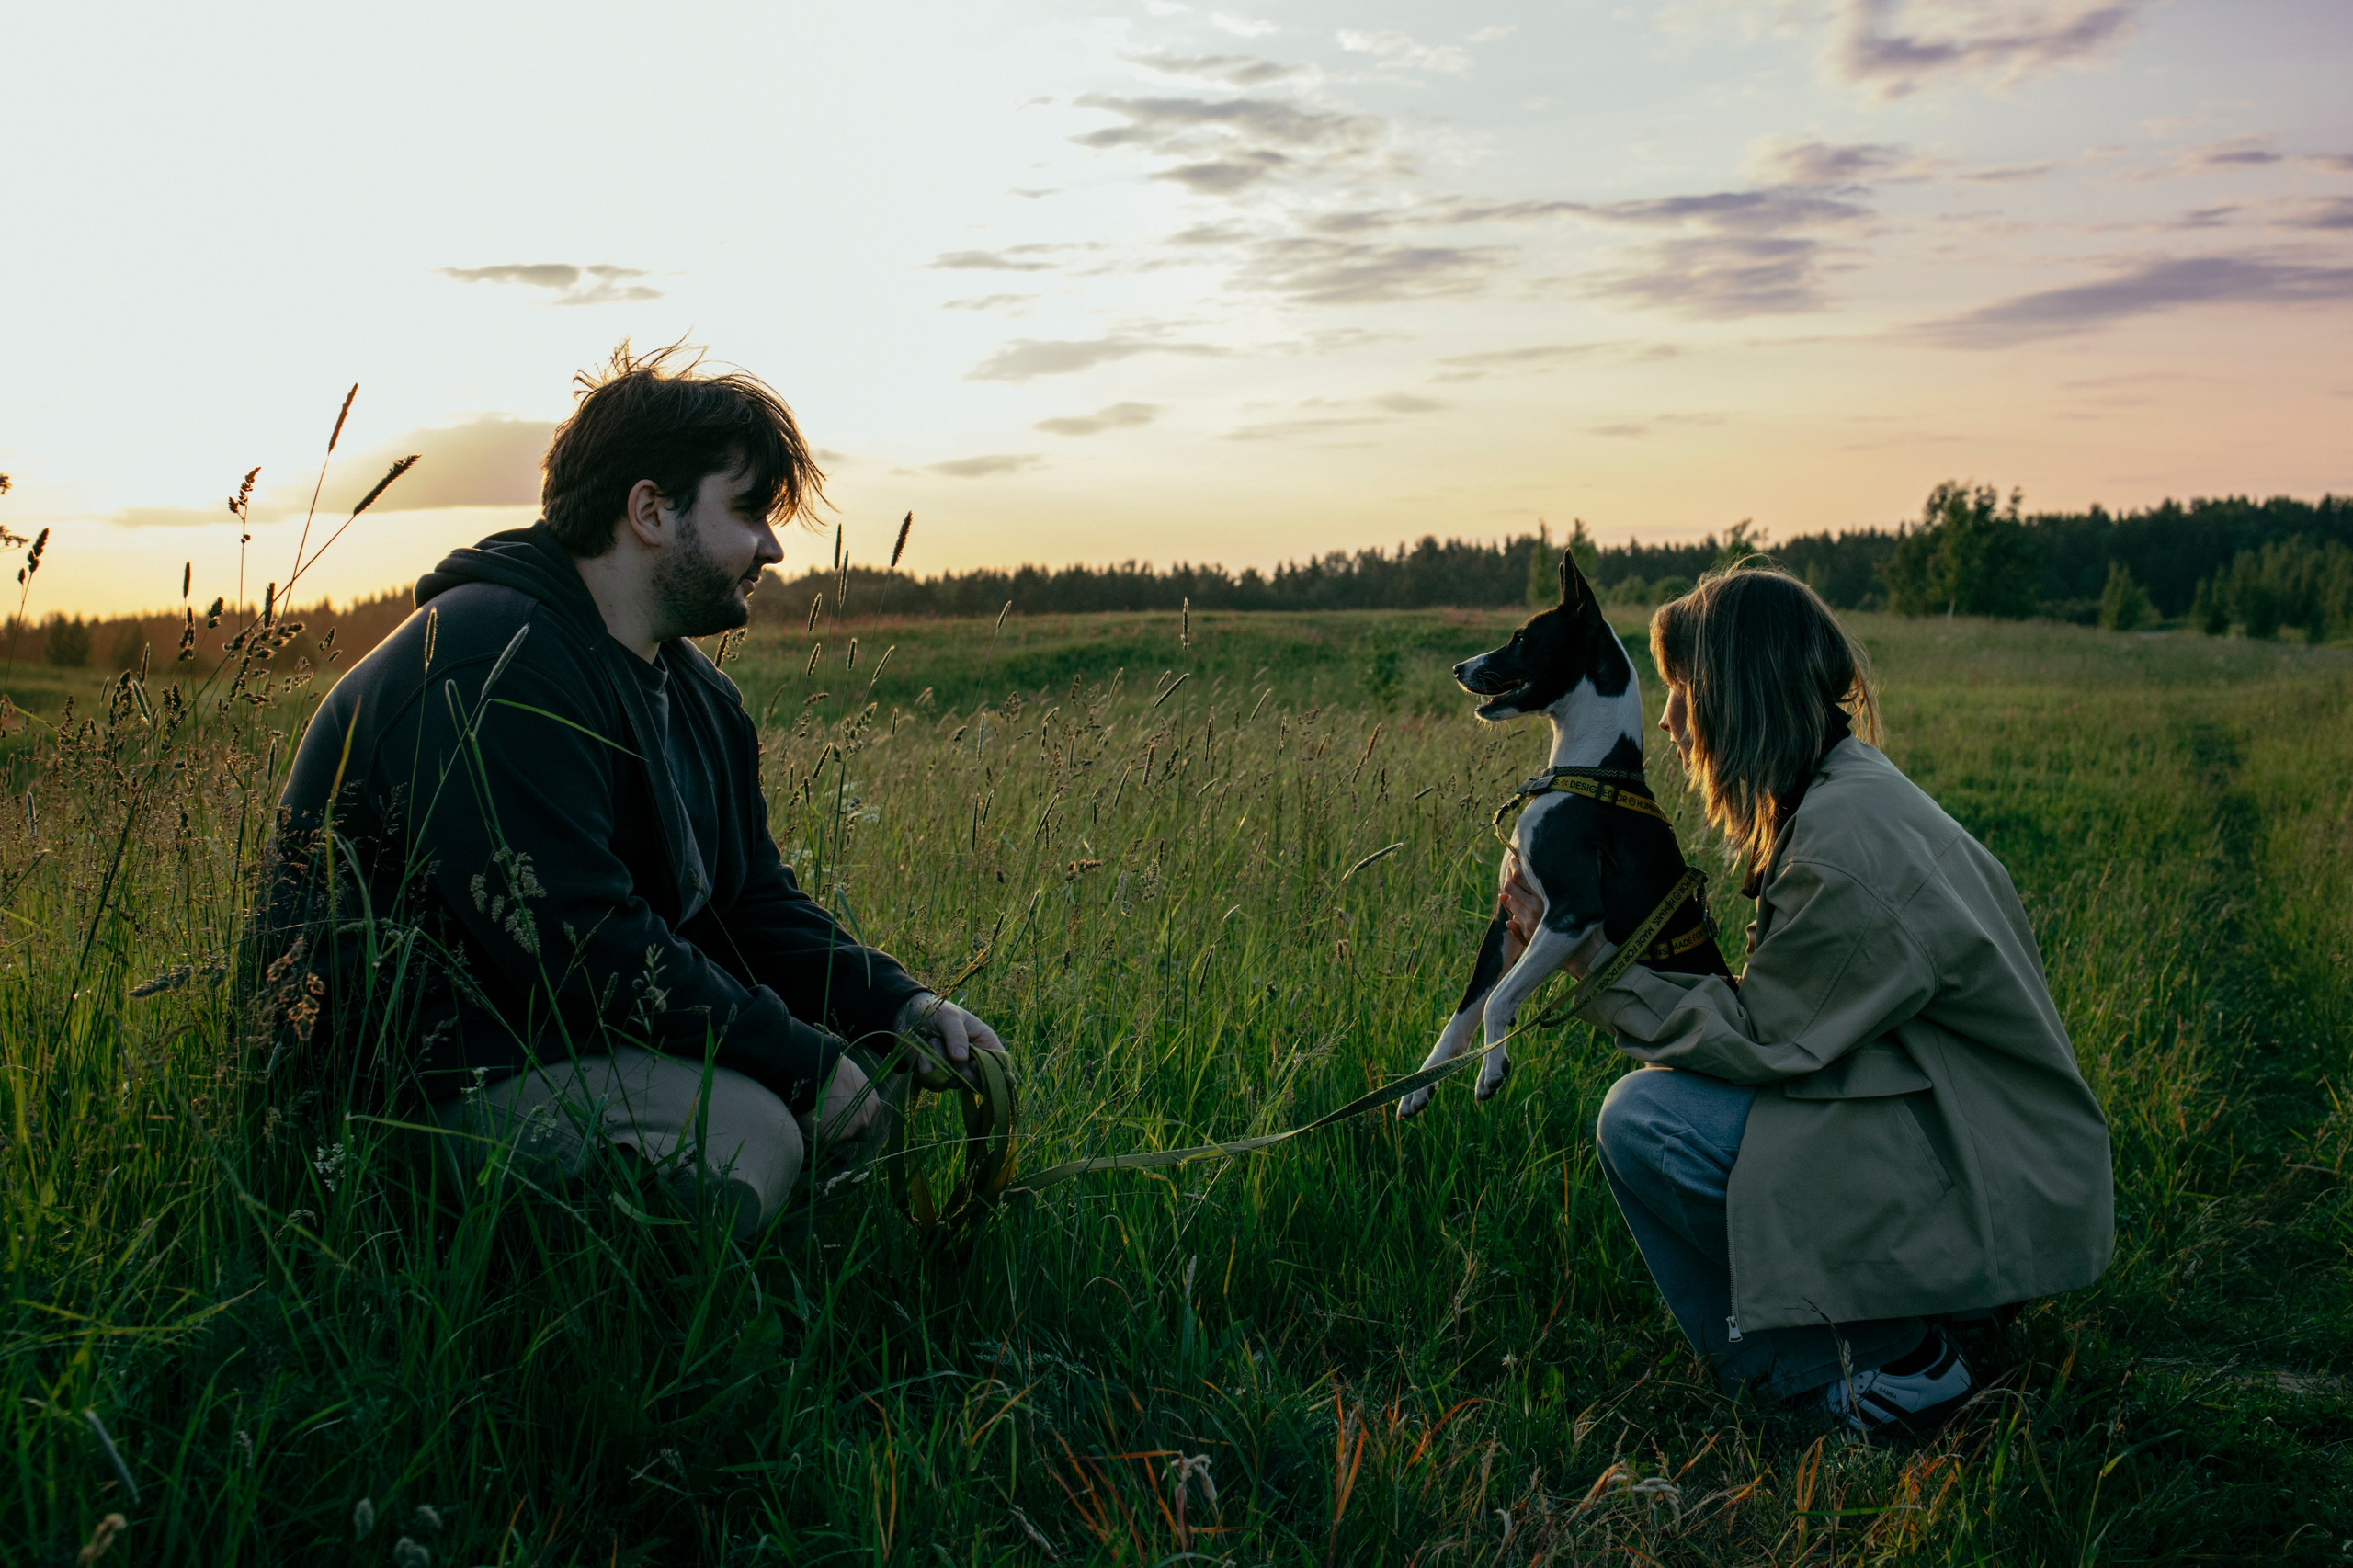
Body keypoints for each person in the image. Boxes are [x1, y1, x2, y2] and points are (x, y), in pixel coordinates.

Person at [262, 345, 1004, 1238]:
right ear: (650, 510)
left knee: (857, 1077)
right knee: (749, 1135)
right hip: (403, 1089)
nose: (771, 545)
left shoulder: (696, 696)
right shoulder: (485, 659)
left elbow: (751, 906)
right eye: (748, 511)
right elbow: (580, 943)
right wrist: (802, 1062)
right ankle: (560, 1346)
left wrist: (897, 1005)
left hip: (551, 1041)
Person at [1496, 566, 2111, 1437]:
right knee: (1706, 1117)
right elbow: (1800, 1020)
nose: (1667, 719)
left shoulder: (1839, 844)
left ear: (1738, 696)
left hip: (1988, 1179)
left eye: (1683, 691)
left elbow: (1763, 1045)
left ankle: (1880, 1368)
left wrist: (1591, 963)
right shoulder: (1845, 790)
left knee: (1647, 1120)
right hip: (1989, 1148)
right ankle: (1905, 1321)